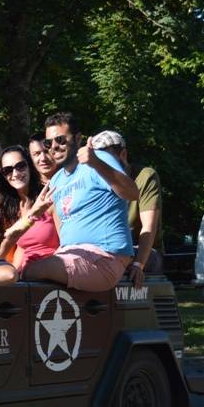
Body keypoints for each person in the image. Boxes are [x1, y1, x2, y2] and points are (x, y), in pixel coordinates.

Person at [22, 113, 139, 291]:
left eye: (60, 140)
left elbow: (132, 193)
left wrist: (95, 163)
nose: (53, 147)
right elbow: (62, 230)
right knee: (22, 269)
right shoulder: (57, 180)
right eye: (48, 143)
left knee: (33, 271)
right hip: (73, 256)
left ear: (78, 139)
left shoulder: (99, 159)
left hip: (105, 257)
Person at [94, 130, 164, 287]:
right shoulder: (97, 182)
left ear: (123, 155)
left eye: (107, 161)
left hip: (143, 252)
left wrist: (139, 264)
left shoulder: (145, 177)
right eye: (99, 162)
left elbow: (148, 227)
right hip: (111, 250)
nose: (102, 167)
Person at [0, 145, 59, 270]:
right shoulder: (12, 207)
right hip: (26, 277)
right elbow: (22, 249)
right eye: (8, 170)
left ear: (30, 166)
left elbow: (66, 244)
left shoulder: (48, 198)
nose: (15, 173)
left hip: (51, 274)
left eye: (20, 166)